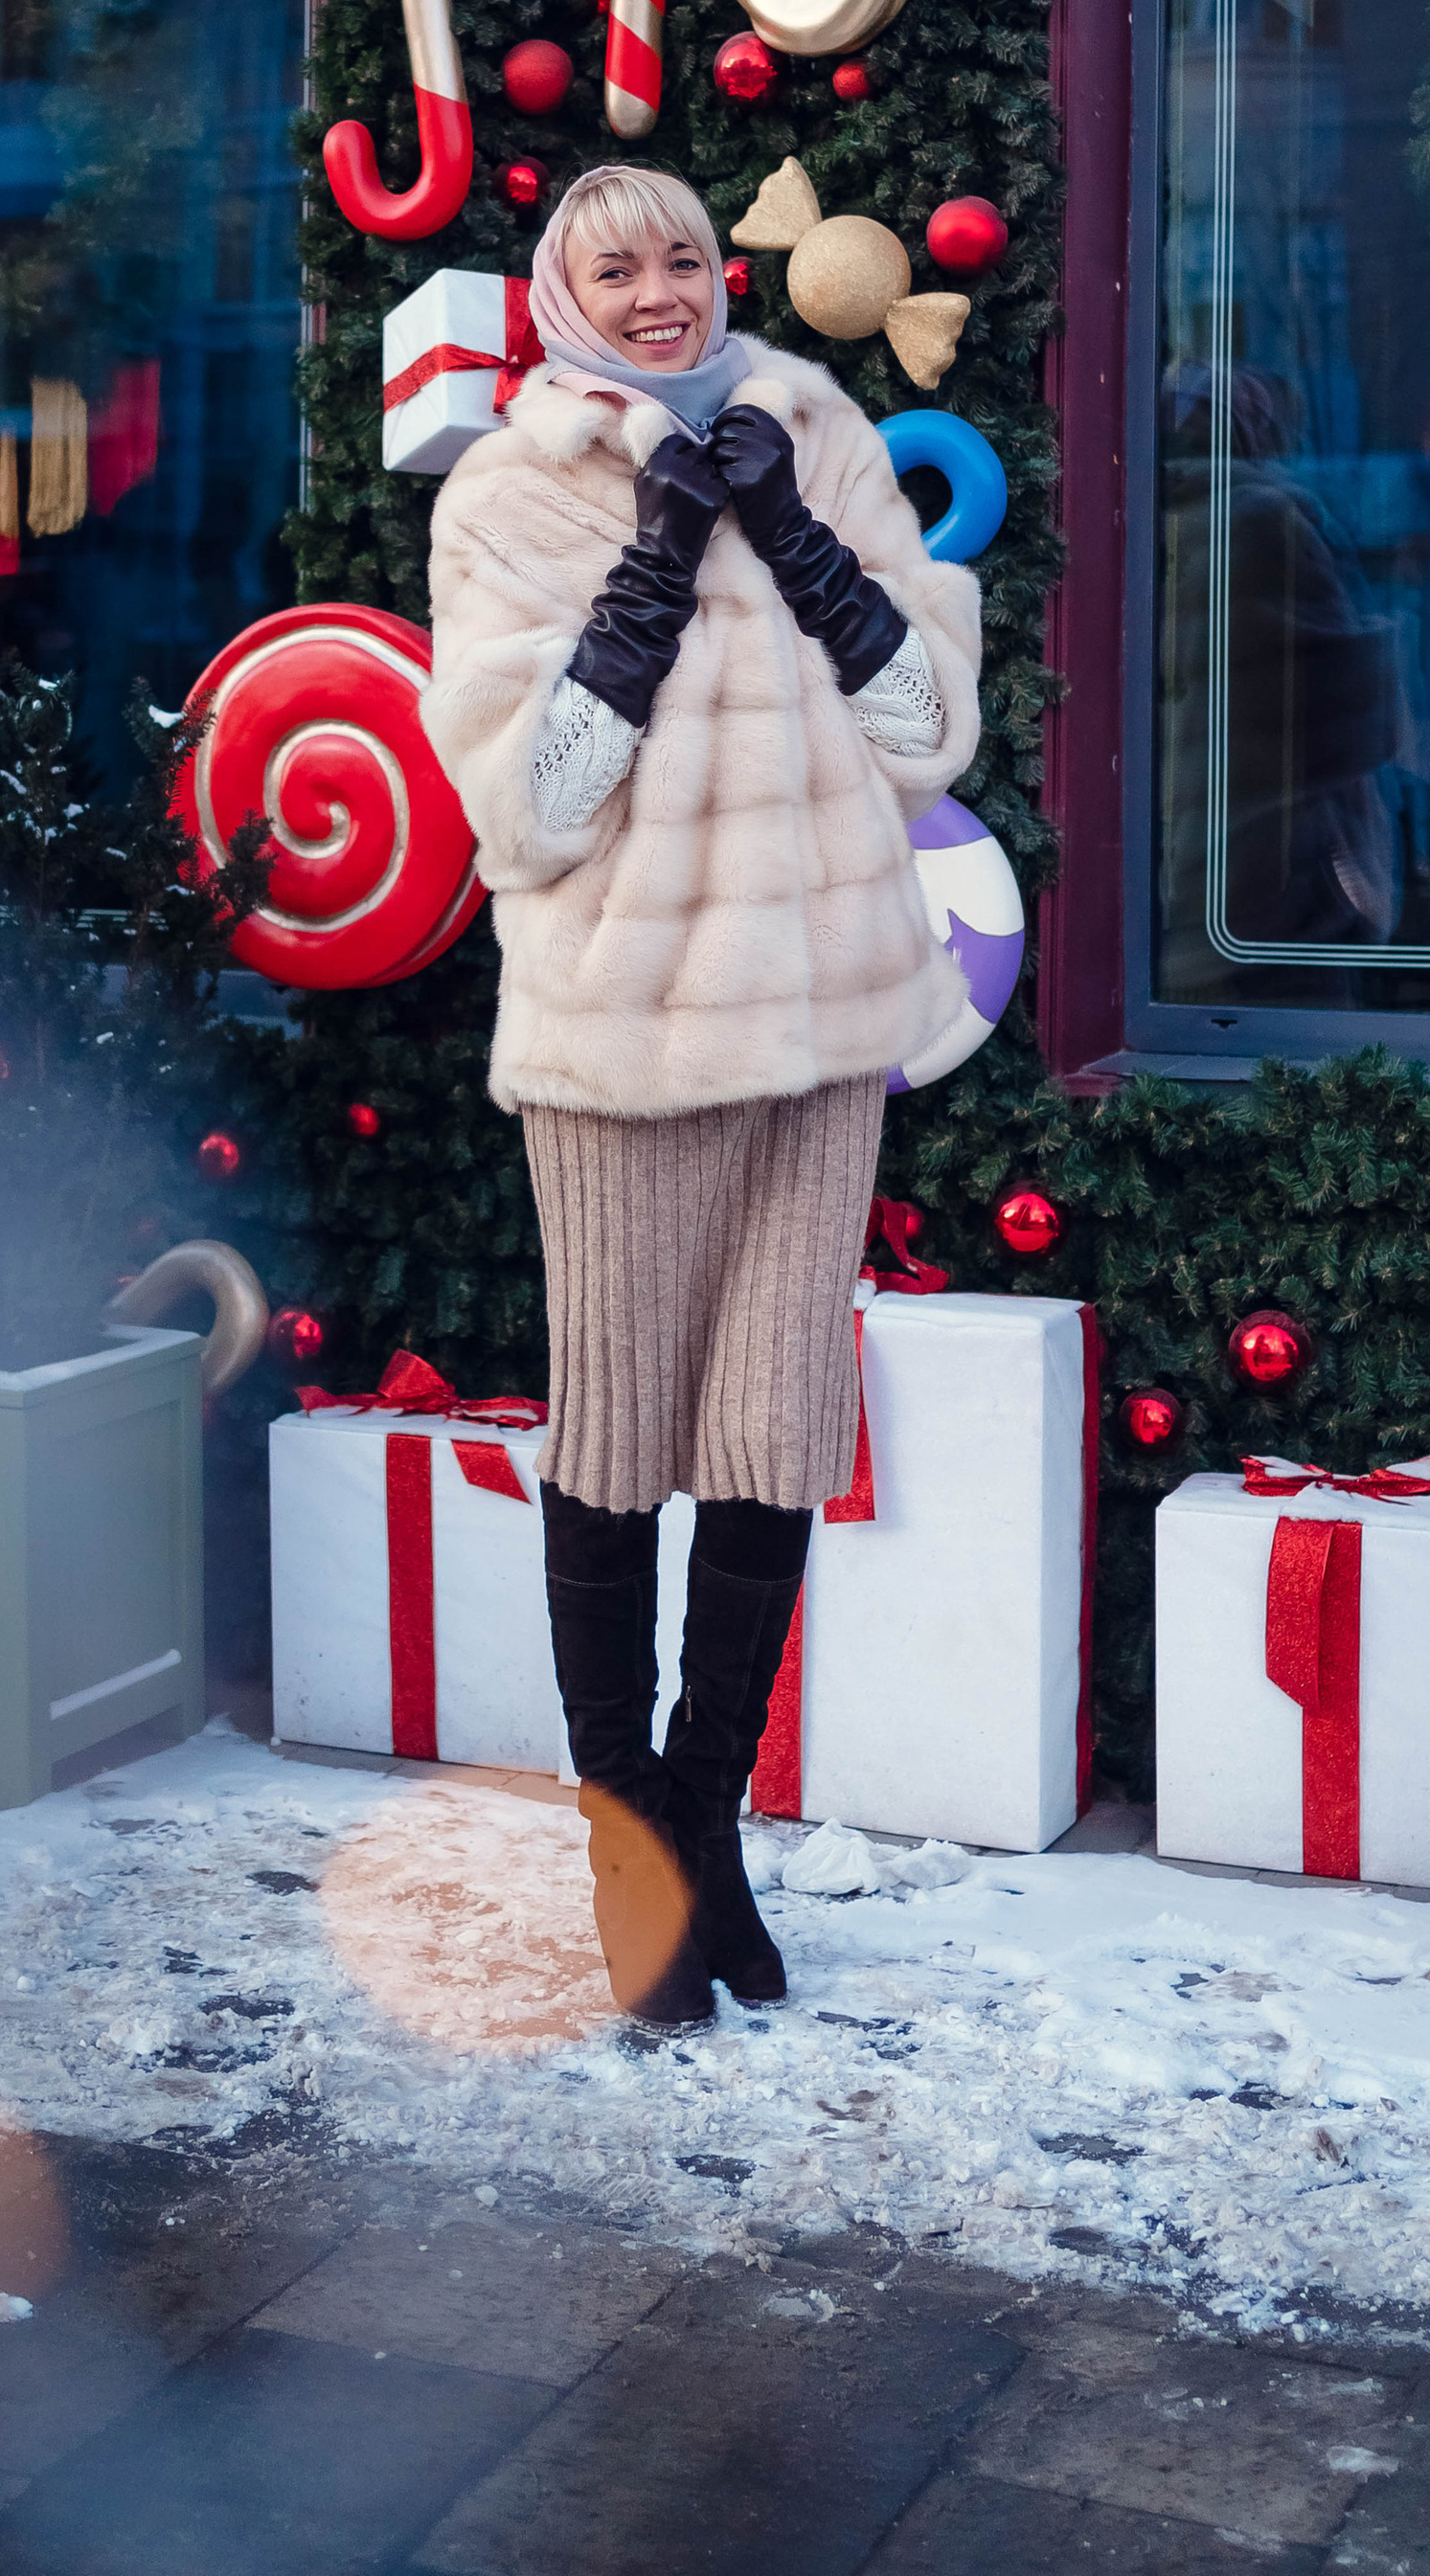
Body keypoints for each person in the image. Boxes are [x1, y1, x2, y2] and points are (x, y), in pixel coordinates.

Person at [422, 161, 984, 2025]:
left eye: (681, 255)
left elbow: (924, 731)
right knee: (615, 1433)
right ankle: (622, 1857)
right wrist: (653, 562)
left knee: (765, 1432)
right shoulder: (508, 494)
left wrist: (806, 552)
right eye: (615, 264)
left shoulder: (806, 426)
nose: (659, 289)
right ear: (556, 293)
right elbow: (532, 803)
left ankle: (707, 1831)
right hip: (625, 1040)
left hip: (821, 1028)